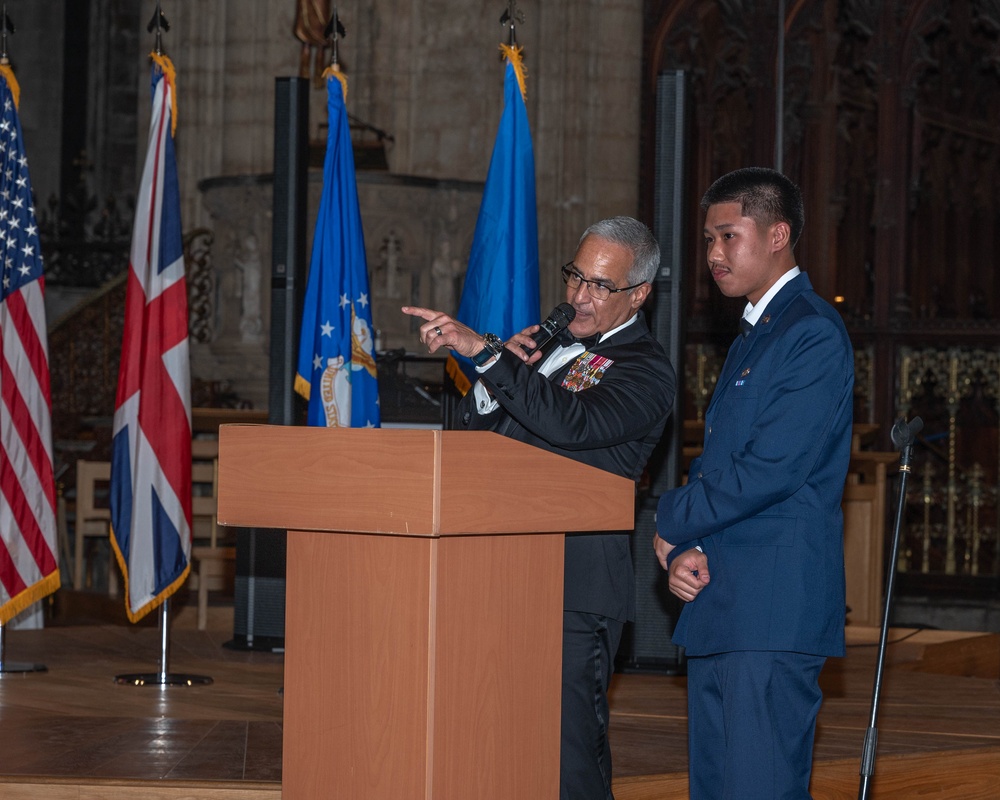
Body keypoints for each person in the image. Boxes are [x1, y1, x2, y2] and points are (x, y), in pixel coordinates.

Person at [403, 215, 676, 800]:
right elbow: (476, 437)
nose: (579, 296)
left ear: (639, 294)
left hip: (570, 591)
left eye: (600, 286)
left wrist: (487, 353)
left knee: (565, 756)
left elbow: (572, 425)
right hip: (494, 569)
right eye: (576, 276)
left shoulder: (646, 371)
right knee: (488, 741)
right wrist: (494, 374)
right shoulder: (550, 347)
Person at [653, 167, 854, 799]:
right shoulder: (755, 333)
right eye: (708, 240)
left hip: (771, 608)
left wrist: (669, 518)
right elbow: (727, 464)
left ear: (778, 234)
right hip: (727, 602)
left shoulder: (810, 332)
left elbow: (771, 469)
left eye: (728, 236)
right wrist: (691, 548)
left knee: (757, 786)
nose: (713, 254)